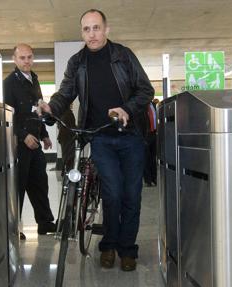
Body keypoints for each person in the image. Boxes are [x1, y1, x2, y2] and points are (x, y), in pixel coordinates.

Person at [39, 9, 154, 271]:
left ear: (106, 29)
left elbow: (146, 89)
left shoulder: (123, 55)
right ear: (82, 32)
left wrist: (127, 108)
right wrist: (51, 109)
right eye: (86, 29)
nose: (92, 33)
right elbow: (65, 93)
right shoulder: (77, 62)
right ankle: (108, 245)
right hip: (100, 136)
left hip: (132, 136)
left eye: (96, 28)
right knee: (112, 194)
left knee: (131, 196)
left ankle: (128, 249)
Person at [4, 44, 56, 240]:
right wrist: (23, 135)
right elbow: (8, 115)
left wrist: (44, 134)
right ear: (15, 59)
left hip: (35, 142)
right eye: (22, 58)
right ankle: (12, 228)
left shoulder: (34, 78)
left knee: (40, 183)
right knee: (18, 186)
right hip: (19, 144)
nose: (27, 61)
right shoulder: (9, 83)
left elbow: (38, 108)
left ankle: (45, 223)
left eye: (29, 57)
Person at [143, 98, 157, 186]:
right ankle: (148, 180)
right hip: (145, 135)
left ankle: (154, 178)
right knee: (146, 159)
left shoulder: (153, 105)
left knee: (153, 158)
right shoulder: (142, 107)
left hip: (154, 133)